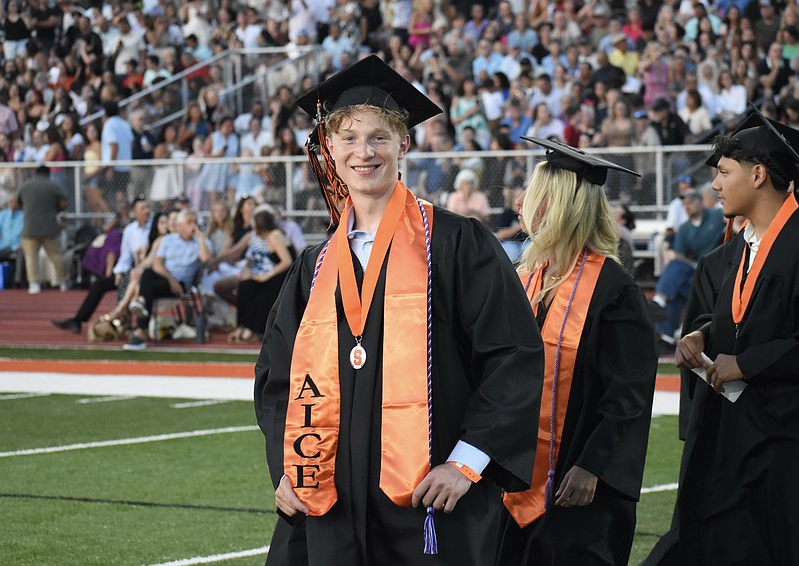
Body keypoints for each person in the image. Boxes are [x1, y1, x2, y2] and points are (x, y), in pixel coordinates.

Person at [254, 55, 545, 565]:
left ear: (404, 144)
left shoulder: (457, 244)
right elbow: (277, 378)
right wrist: (289, 468)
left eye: (379, 138)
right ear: (329, 148)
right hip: (330, 502)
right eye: (348, 138)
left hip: (430, 500)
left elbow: (512, 356)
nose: (363, 152)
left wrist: (467, 463)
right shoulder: (314, 267)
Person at [645, 109, 799, 564]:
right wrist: (703, 334)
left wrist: (747, 363)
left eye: (724, 172)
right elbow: (744, 317)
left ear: (758, 175)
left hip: (783, 444)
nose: (714, 184)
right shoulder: (737, 251)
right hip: (734, 436)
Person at [498, 137, 657, 565]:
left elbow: (628, 394)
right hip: (514, 475)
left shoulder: (614, 291)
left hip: (578, 480)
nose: (520, 201)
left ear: (558, 206)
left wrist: (594, 466)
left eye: (533, 192)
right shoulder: (527, 278)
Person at [51, 196, 151, 334]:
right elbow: (125, 257)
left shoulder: (153, 228)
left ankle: (126, 323)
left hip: (145, 272)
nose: (147, 211)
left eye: (147, 207)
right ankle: (78, 320)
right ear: (135, 212)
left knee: (129, 283)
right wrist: (118, 272)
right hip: (129, 270)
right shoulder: (130, 230)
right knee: (99, 285)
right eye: (143, 208)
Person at [123, 209, 212, 350]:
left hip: (181, 284)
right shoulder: (168, 240)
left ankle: (140, 330)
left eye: (195, 222)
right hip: (166, 278)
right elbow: (157, 264)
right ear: (180, 226)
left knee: (147, 288)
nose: (193, 225)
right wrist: (171, 280)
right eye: (189, 222)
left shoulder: (202, 242)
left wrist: (200, 237)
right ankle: (141, 305)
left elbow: (206, 259)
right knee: (147, 273)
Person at [650, 189, 725, 351]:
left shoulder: (716, 215)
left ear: (700, 202)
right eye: (684, 204)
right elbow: (679, 255)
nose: (687, 206)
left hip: (715, 271)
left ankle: (659, 303)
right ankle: (666, 337)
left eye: (690, 202)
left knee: (675, 283)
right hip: (694, 272)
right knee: (676, 282)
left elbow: (734, 223)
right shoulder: (684, 228)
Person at [227, 206, 294, 344]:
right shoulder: (264, 237)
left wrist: (267, 276)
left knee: (261, 292)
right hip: (272, 275)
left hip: (283, 277)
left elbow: (287, 261)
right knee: (245, 286)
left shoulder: (275, 235)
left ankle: (254, 329)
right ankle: (243, 325)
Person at [17, 166, 67, 295]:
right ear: (48, 174)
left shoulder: (25, 186)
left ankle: (34, 284)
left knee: (31, 257)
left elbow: (18, 203)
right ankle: (63, 282)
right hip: (49, 227)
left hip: (30, 227)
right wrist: (54, 209)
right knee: (56, 255)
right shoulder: (53, 186)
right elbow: (63, 204)